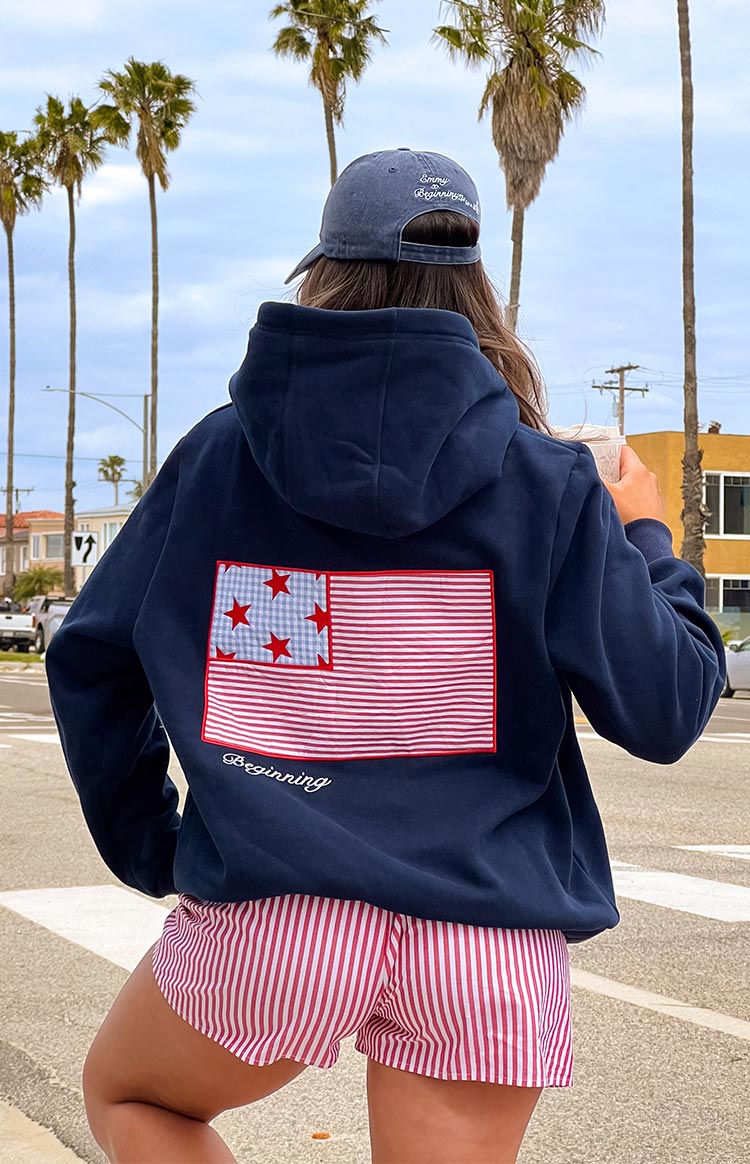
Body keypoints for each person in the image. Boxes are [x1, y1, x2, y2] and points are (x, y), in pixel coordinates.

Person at [45, 148, 726, 1164]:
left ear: (322, 274)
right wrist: (646, 534)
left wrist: (154, 846)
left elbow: (92, 658)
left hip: (277, 918)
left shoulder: (222, 456)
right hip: (485, 932)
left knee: (135, 1101)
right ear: (477, 288)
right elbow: (667, 706)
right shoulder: (546, 482)